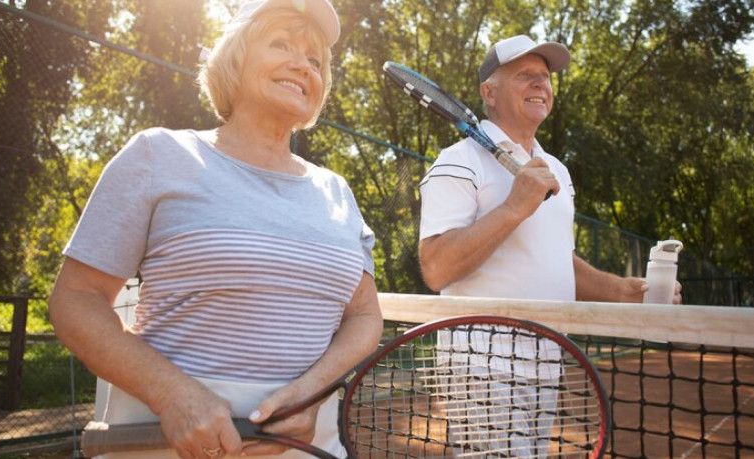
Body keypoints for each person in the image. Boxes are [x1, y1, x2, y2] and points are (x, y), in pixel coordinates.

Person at [47, 1, 382, 458]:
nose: (301, 64)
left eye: (315, 60)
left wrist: (312, 392)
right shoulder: (158, 155)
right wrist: (171, 394)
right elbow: (76, 299)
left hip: (307, 445)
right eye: (281, 44)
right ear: (236, 58)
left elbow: (365, 316)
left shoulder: (337, 190)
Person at [419, 35, 682, 456]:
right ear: (489, 91)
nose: (540, 84)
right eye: (525, 75)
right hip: (482, 367)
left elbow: (556, 259)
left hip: (546, 364)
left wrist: (622, 291)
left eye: (545, 77)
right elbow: (436, 267)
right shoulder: (458, 161)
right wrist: (513, 207)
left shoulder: (554, 168)